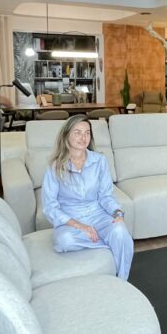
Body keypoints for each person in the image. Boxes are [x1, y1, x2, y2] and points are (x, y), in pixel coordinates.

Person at [42, 114, 133, 280]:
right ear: (66, 135)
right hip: (71, 219)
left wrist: (117, 213)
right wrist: (80, 226)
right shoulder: (55, 166)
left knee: (120, 231)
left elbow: (106, 195)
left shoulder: (100, 161)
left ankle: (122, 281)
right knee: (65, 240)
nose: (83, 137)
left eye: (87, 133)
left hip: (97, 214)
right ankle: (108, 243)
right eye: (77, 132)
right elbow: (50, 207)